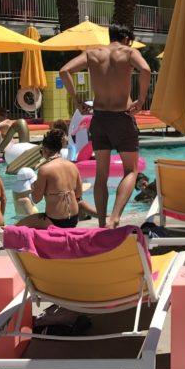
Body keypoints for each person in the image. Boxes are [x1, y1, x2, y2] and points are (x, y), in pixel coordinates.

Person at [59, 23, 150, 228]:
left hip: (99, 118)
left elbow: (64, 70)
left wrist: (77, 100)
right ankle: (115, 216)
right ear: (127, 39)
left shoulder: (92, 53)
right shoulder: (128, 52)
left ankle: (101, 222)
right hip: (122, 117)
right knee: (130, 170)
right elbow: (145, 69)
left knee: (101, 173)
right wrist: (141, 100)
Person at [16, 130, 84, 229]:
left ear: (45, 150)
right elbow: (78, 194)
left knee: (18, 225)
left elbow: (36, 199)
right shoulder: (73, 166)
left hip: (55, 220)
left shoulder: (44, 170)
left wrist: (33, 187)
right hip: (73, 219)